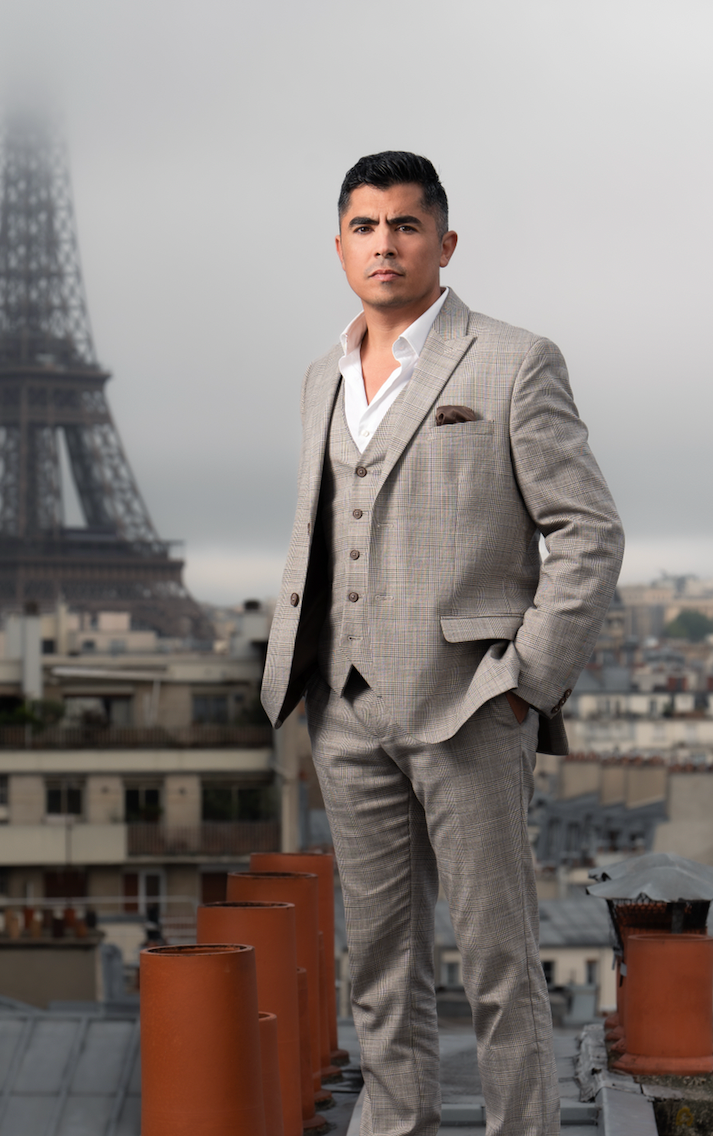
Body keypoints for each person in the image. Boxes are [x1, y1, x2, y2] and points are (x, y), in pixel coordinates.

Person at [261, 152, 624, 1136]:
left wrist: (525, 682)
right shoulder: (317, 378)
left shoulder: (511, 359)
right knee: (377, 963)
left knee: (499, 962)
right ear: (339, 245)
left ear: (443, 242)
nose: (385, 243)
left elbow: (586, 530)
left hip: (472, 702)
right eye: (366, 226)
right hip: (343, 706)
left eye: (405, 225)